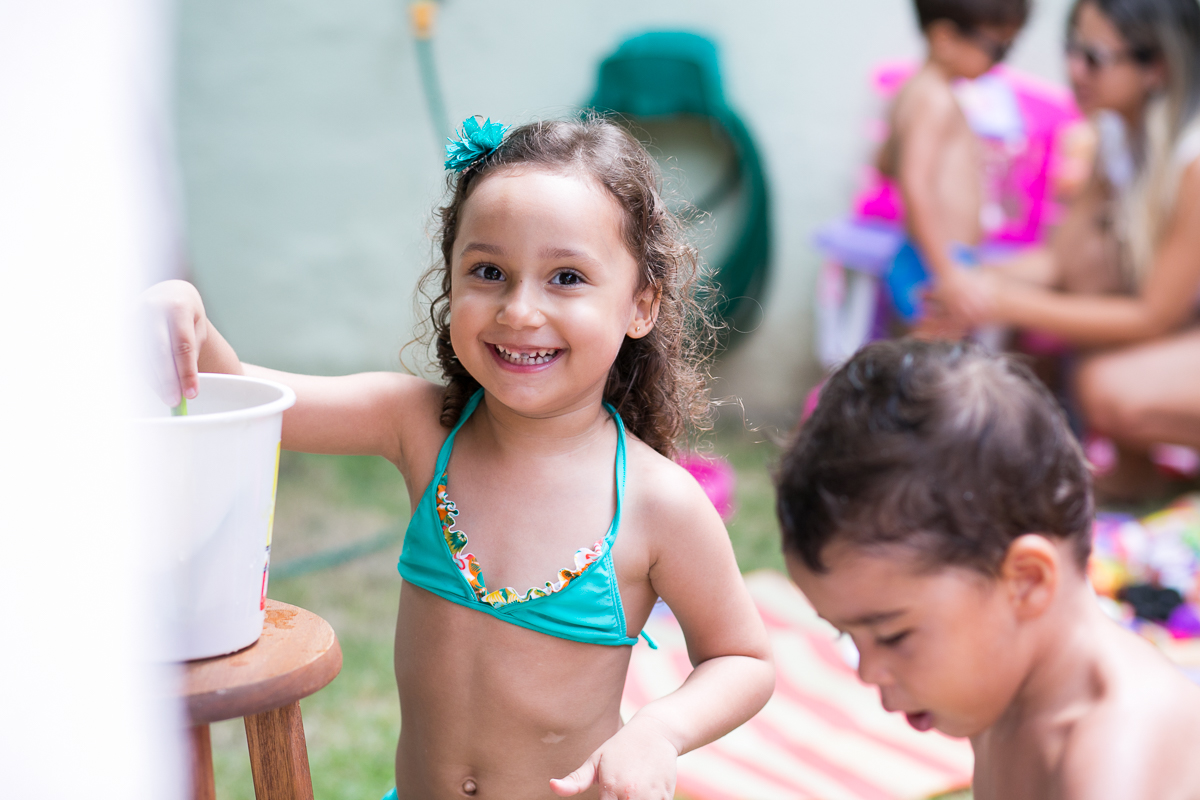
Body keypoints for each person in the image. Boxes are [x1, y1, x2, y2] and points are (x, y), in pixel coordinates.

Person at [143, 116, 775, 799]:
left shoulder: (658, 503)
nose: (519, 309)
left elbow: (742, 658)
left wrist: (660, 730)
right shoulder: (419, 426)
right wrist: (188, 317)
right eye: (489, 272)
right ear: (451, 281)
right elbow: (258, 401)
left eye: (566, 276)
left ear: (640, 305)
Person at [777, 339, 1200, 799]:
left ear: (1026, 580)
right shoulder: (1004, 688)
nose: (869, 672)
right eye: (848, 636)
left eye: (893, 636)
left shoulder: (1115, 751)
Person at [934, 0, 1200, 496]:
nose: (1074, 69)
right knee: (1092, 271)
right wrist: (967, 278)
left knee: (1106, 387)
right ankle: (1135, 472)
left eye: (1094, 57)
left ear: (1156, 66)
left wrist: (1001, 300)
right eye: (1071, 48)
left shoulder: (1193, 159)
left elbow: (1152, 316)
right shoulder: (1117, 130)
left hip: (1171, 325)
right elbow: (1063, 260)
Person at [876, 0, 1029, 326]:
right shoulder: (936, 100)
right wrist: (949, 273)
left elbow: (886, 164)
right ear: (945, 38)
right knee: (929, 366)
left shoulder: (913, 91)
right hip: (935, 261)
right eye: (997, 49)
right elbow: (914, 184)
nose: (999, 61)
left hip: (928, 256)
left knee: (922, 360)